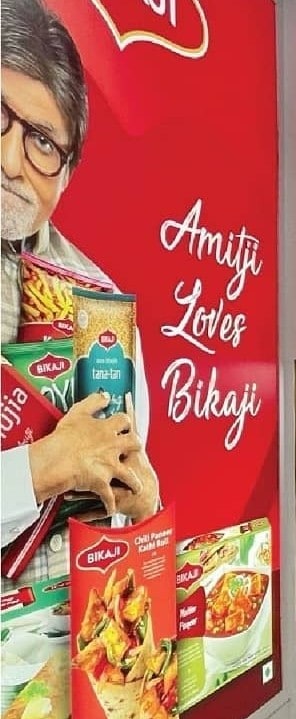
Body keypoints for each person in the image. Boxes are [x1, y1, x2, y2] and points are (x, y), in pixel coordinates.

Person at [1, 0, 159, 583]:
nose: (10, 160)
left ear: (67, 172)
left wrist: (142, 506)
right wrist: (40, 469)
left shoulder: (97, 301)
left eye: (42, 141)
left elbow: (126, 482)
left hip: (70, 627)